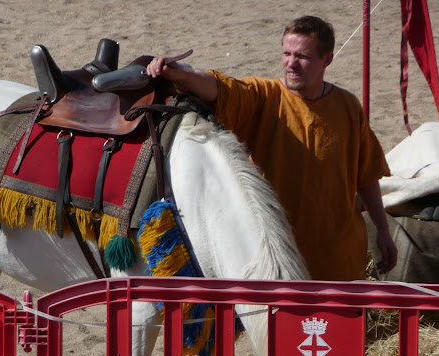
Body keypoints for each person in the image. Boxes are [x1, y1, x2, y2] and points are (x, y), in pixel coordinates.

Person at [146, 15, 398, 281]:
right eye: (287, 53)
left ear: (327, 59)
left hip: (339, 261)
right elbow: (222, 89)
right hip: (278, 263)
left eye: (303, 56)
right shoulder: (264, 97)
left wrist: (382, 229)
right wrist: (182, 75)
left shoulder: (348, 106)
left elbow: (366, 175)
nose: (291, 63)